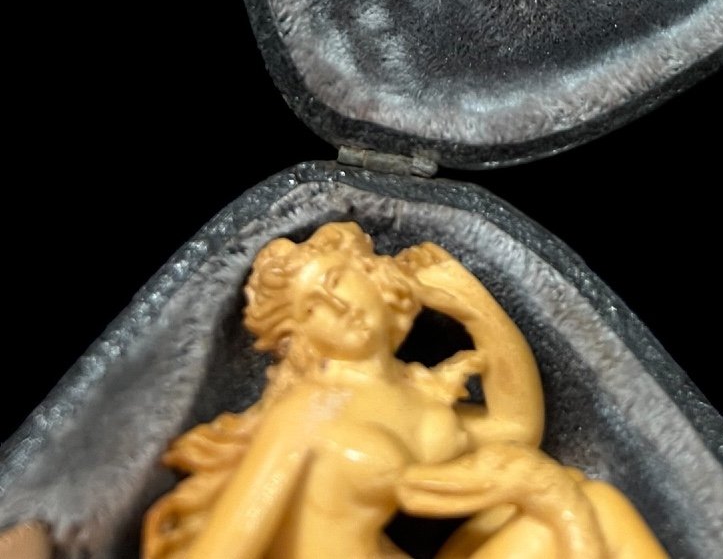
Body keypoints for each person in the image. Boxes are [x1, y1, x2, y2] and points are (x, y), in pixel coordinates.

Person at [142, 222, 666, 559]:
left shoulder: (411, 393)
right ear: (297, 339)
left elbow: (515, 430)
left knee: (595, 502)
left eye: (339, 281)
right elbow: (224, 548)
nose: (340, 307)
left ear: (371, 276)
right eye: (312, 307)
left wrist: (471, 306)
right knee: (587, 508)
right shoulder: (307, 411)